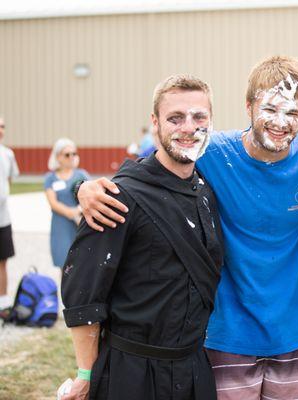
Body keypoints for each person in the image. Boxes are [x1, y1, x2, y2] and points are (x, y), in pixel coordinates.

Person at [75, 56, 298, 399]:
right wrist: (84, 188)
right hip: (226, 331)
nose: (281, 122)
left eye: (293, 113)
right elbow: (157, 162)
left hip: (291, 332)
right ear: (248, 106)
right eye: (270, 109)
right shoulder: (211, 150)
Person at [59, 75, 224, 400]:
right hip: (131, 373)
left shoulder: (206, 189)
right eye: (175, 118)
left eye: (199, 117)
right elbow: (83, 294)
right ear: (155, 122)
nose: (189, 127)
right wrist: (84, 374)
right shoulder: (119, 196)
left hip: (193, 369)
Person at [44, 138, 89, 269]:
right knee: (65, 264)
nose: (71, 157)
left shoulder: (82, 175)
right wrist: (72, 212)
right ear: (58, 157)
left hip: (80, 224)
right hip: (61, 225)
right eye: (67, 154)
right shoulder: (50, 178)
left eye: (74, 153)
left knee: (82, 262)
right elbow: (53, 203)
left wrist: (79, 211)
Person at [0, 116, 20, 318]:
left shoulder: (7, 154)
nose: (1, 130)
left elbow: (8, 181)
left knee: (3, 260)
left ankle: (3, 302)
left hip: (3, 218)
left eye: (3, 126)